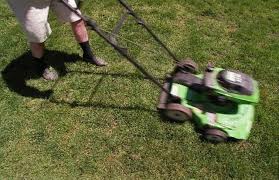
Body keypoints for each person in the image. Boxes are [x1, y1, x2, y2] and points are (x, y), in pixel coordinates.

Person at [6, 0, 107, 81]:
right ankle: (41, 67)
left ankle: (88, 55)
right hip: (28, 3)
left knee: (76, 18)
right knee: (38, 36)